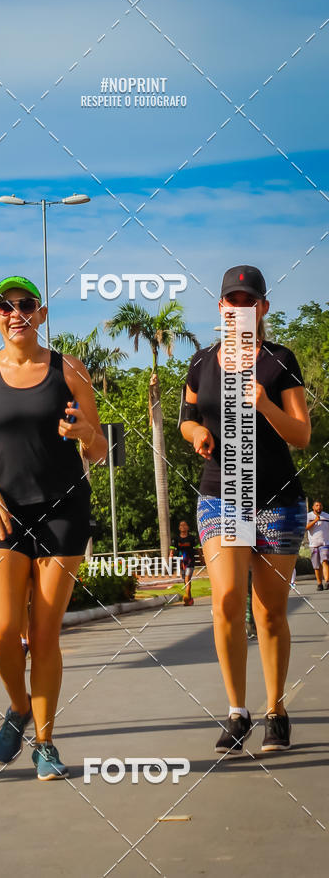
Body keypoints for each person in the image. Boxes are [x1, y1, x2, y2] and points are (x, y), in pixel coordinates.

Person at [0, 276, 107, 779]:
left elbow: (98, 449)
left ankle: (45, 743)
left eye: (26, 305)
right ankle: (18, 706)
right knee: (0, 635)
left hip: (63, 511)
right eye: (5, 306)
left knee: (43, 634)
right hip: (2, 512)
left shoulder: (69, 370)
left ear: (39, 315)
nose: (16, 313)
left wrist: (85, 432)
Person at [180, 266, 310, 755]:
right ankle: (238, 711)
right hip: (222, 493)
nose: (239, 309)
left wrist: (265, 405)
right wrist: (197, 435)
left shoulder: (280, 361)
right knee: (228, 598)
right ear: (221, 309)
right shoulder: (201, 362)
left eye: (248, 301)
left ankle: (276, 710)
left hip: (276, 499)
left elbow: (301, 435)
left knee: (270, 612)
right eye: (231, 301)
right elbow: (187, 418)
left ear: (263, 309)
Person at [170, 520, 199, 605]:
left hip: (190, 561)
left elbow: (198, 549)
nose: (183, 526)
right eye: (181, 525)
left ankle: (186, 598)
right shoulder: (175, 539)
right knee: (185, 581)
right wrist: (170, 557)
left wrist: (202, 559)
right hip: (181, 562)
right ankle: (189, 599)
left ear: (188, 527)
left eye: (184, 525)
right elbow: (172, 550)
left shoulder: (192, 538)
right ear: (179, 528)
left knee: (187, 580)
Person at [305, 500, 329, 590]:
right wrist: (315, 520)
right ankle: (319, 584)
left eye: (320, 505)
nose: (319, 507)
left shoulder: (327, 516)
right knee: (316, 565)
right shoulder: (308, 516)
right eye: (317, 505)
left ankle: (327, 581)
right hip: (313, 544)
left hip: (325, 543)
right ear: (313, 507)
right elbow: (305, 528)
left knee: (325, 560)